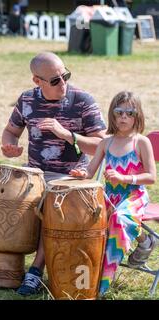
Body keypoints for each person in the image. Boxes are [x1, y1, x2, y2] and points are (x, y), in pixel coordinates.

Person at [1, 52, 107, 295]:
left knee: (52, 201)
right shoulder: (27, 99)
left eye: (65, 75)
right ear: (37, 81)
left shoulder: (82, 100)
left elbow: (103, 145)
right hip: (35, 175)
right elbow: (10, 131)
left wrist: (68, 135)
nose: (63, 83)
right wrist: (9, 146)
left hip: (72, 178)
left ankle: (36, 271)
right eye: (55, 80)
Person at [70, 91, 157, 295]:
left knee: (118, 218)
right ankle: (84, 275)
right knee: (88, 219)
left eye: (129, 112)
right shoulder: (106, 143)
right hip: (110, 196)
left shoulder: (141, 142)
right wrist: (81, 173)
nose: (124, 117)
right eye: (119, 112)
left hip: (134, 195)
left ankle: (103, 281)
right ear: (112, 115)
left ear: (138, 116)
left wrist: (126, 178)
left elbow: (151, 177)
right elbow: (90, 172)